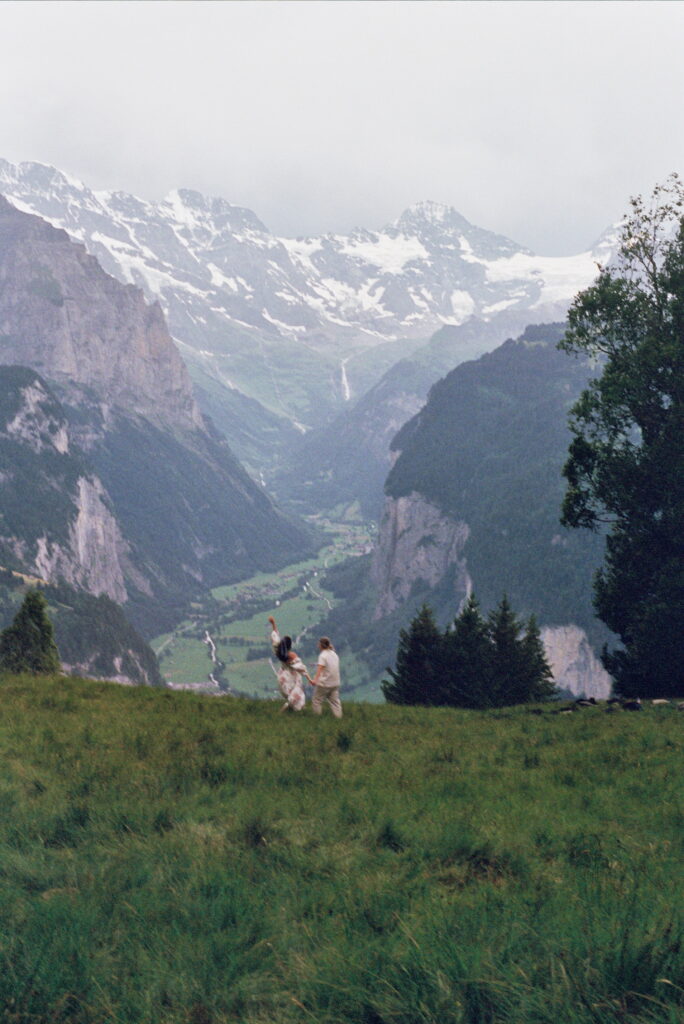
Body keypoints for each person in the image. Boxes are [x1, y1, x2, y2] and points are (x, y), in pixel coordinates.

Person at [268, 616, 307, 712]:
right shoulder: (292, 655)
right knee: (298, 690)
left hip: (282, 676)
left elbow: (275, 636)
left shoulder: (278, 649)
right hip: (292, 675)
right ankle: (290, 707)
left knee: (291, 693)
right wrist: (310, 678)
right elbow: (301, 668)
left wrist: (273, 623)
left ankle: (292, 707)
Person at [309, 637, 343, 718]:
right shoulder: (334, 654)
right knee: (335, 702)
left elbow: (319, 669)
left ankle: (317, 718)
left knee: (317, 700)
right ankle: (339, 718)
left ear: (321, 645)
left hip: (325, 683)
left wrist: (314, 680)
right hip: (335, 682)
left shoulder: (322, 655)